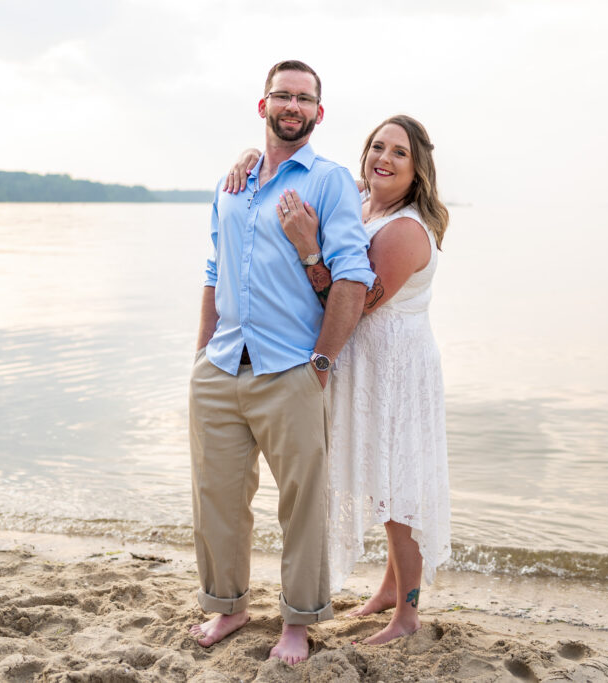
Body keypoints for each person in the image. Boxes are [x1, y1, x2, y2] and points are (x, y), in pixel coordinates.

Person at [225, 114, 451, 644]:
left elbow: (350, 305)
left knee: (402, 487)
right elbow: (287, 174)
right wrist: (250, 159)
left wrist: (307, 246)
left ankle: (407, 615)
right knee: (384, 478)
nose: (384, 159)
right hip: (363, 362)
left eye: (399, 153)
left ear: (418, 169)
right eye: (378, 147)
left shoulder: (403, 231)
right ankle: (390, 589)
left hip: (394, 367)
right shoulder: (359, 199)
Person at [188, 60, 375, 665]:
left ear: (318, 113)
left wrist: (321, 362)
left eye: (304, 98)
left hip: (291, 368)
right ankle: (229, 605)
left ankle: (298, 622)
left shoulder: (330, 181)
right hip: (222, 366)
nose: (292, 105)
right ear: (262, 104)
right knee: (216, 495)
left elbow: (353, 277)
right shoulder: (233, 180)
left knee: (301, 503)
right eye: (282, 95)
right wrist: (200, 353)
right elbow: (215, 271)